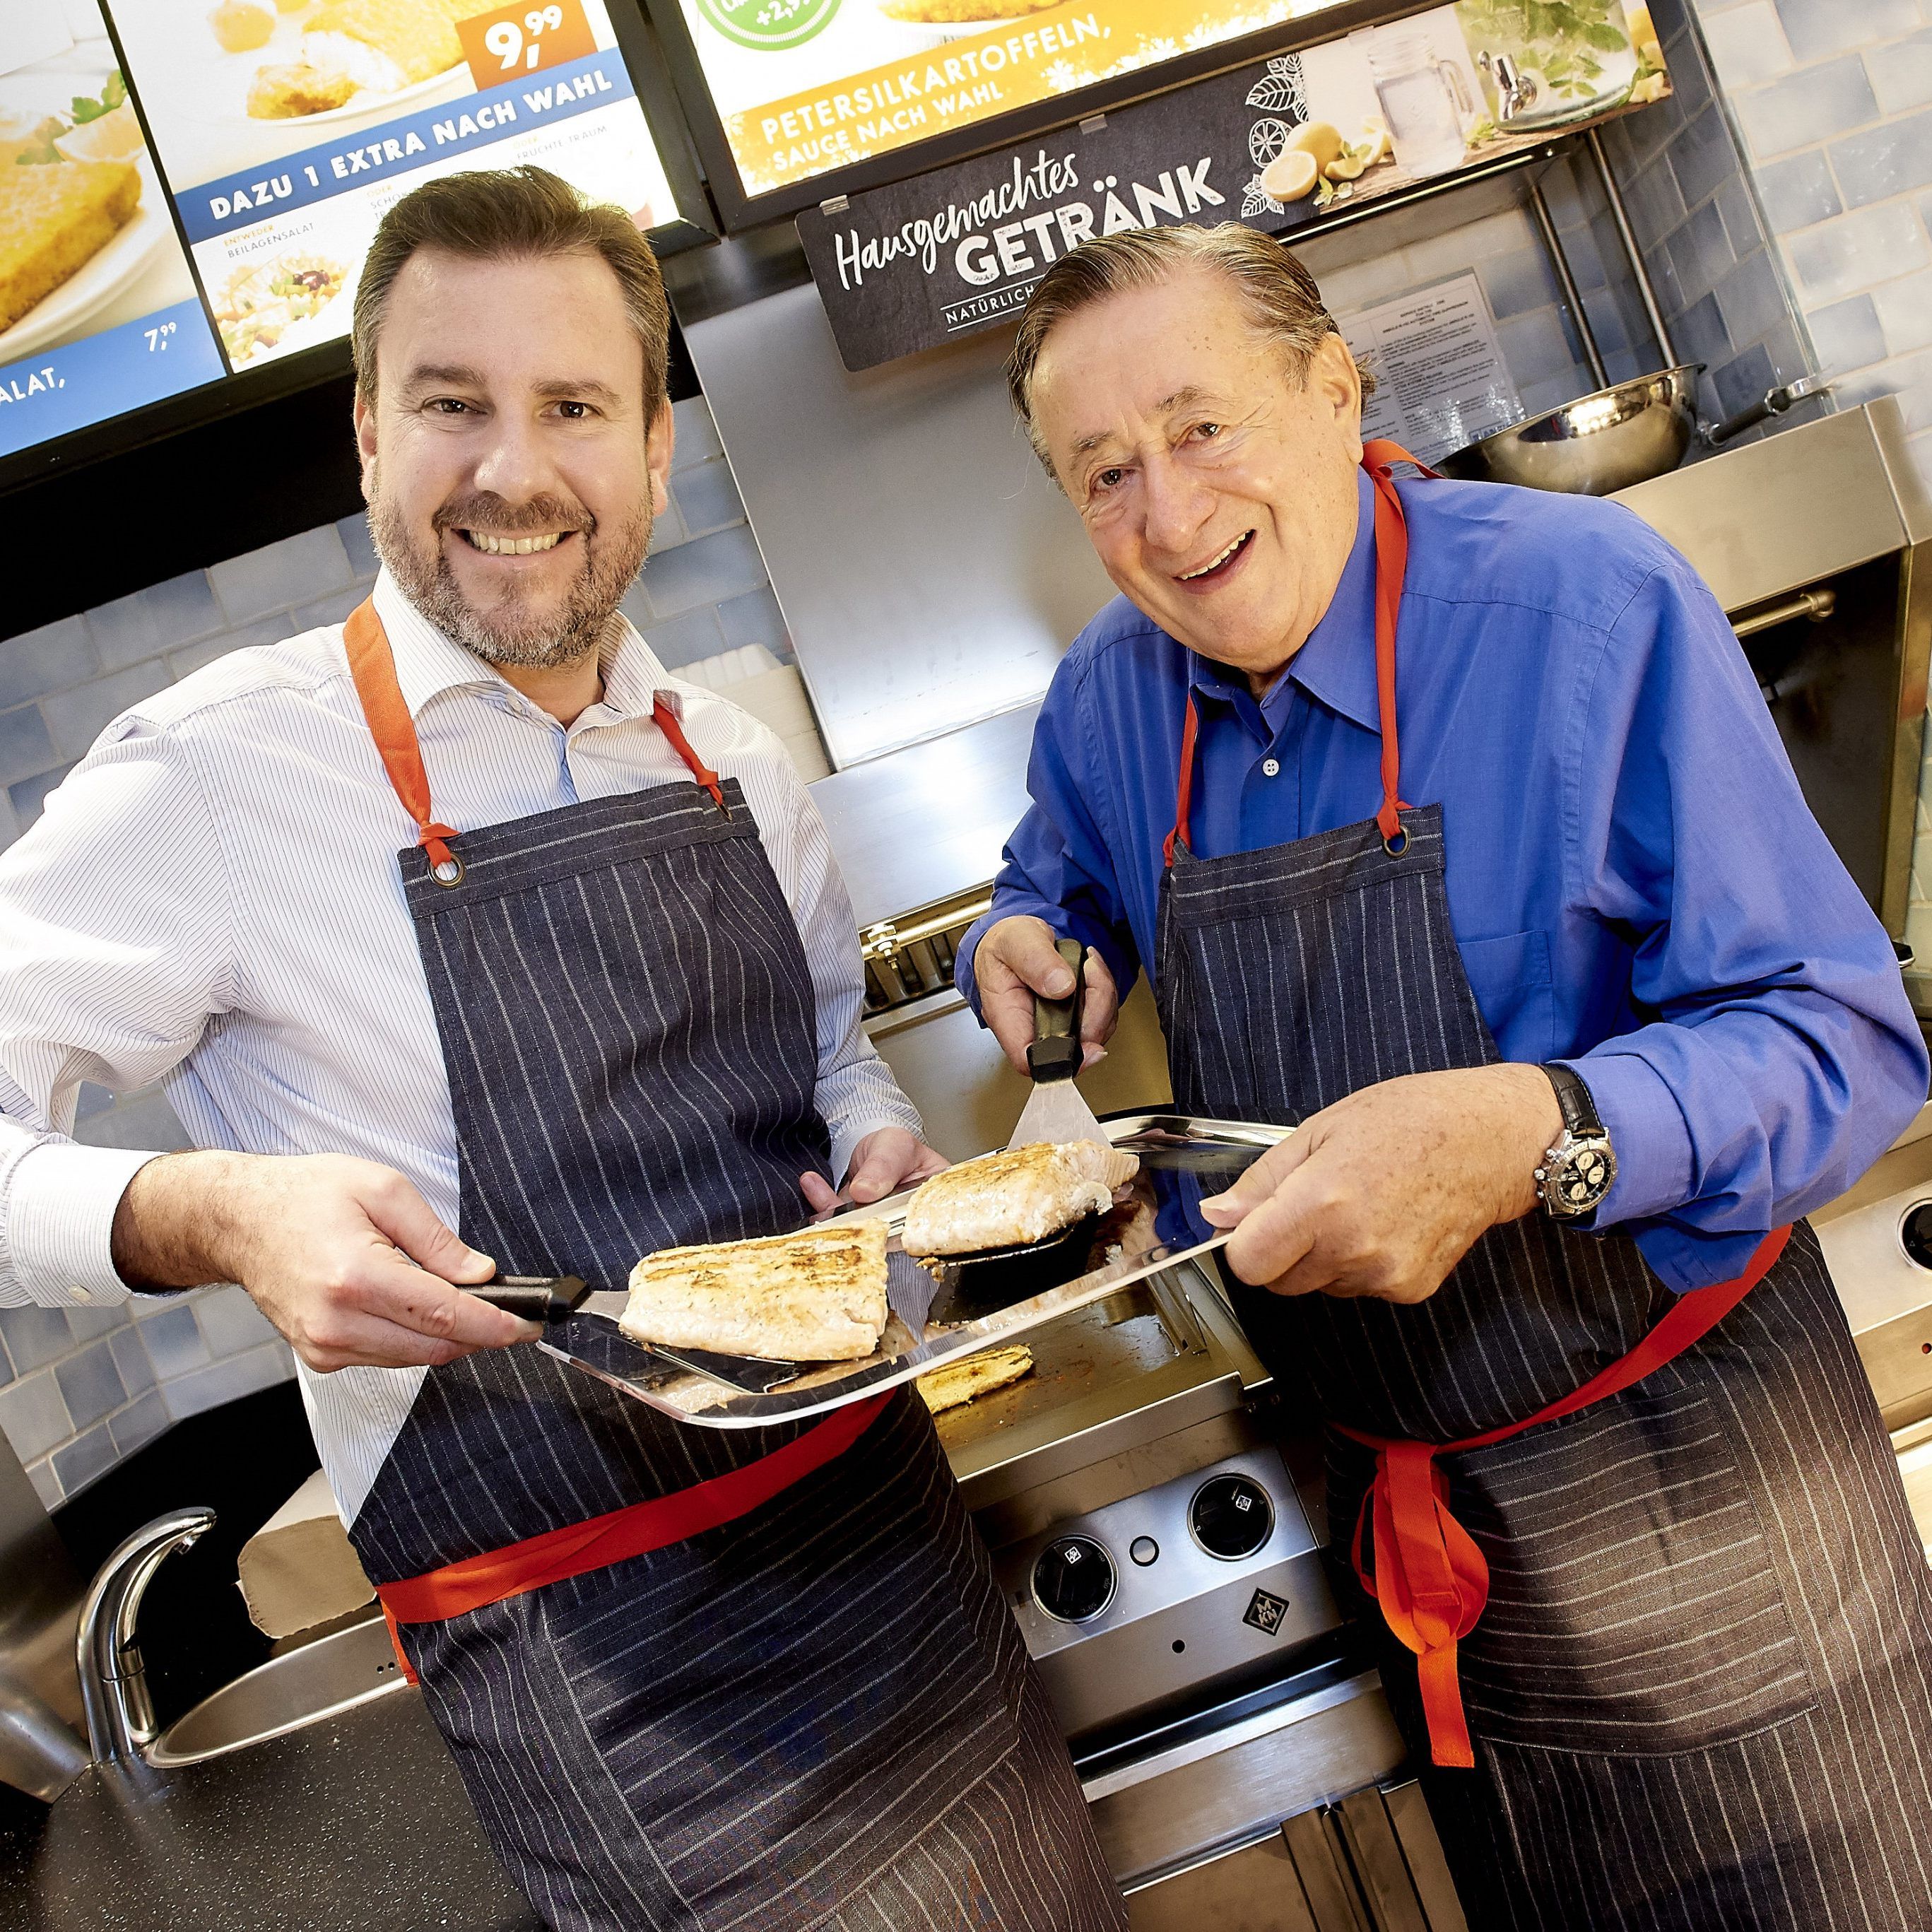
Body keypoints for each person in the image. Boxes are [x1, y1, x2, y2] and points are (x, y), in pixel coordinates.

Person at [0, 167, 1126, 1932]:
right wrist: (207, 1209)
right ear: (366, 428)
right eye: (453, 404)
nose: (513, 470)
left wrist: (879, 1139)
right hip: (619, 1688)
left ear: (654, 453)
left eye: (574, 408)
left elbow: (834, 1052)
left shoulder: (732, 756)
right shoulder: (215, 778)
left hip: (902, 1566)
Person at [959, 220, 1932, 1928]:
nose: (1168, 518)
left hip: (1706, 1507)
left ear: (1333, 390)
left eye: (1202, 428)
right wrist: (1028, 936)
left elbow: (1841, 1038)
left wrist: (1535, 1129)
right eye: (1101, 472)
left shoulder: (1579, 604)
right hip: (1417, 1558)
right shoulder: (1109, 700)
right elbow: (1061, 882)